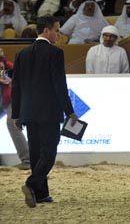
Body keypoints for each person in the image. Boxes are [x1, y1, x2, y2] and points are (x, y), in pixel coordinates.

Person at [11, 15, 79, 207]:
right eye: (56, 30)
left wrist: (17, 114)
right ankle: (31, 185)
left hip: (28, 112)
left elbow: (16, 86)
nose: (58, 34)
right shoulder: (55, 53)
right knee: (48, 154)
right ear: (47, 31)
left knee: (35, 154)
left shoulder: (21, 54)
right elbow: (59, 84)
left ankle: (41, 194)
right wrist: (69, 110)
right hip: (49, 112)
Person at [0, 53, 30, 169]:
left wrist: (11, 80)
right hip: (4, 100)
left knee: (12, 123)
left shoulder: (12, 68)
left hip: (13, 99)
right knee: (12, 124)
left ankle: (27, 160)